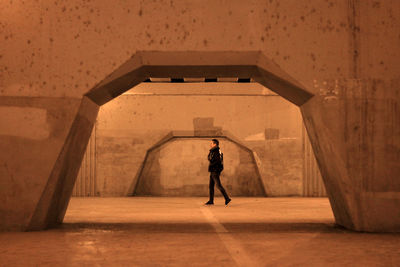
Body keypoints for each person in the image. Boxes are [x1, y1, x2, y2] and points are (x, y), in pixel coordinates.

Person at [205, 139, 231, 206]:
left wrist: (212, 163)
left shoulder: (216, 151)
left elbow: (217, 161)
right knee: (211, 186)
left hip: (215, 171)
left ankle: (227, 198)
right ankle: (211, 201)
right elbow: (209, 158)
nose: (210, 144)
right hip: (213, 170)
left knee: (218, 185)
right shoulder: (215, 151)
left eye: (211, 143)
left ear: (215, 144)